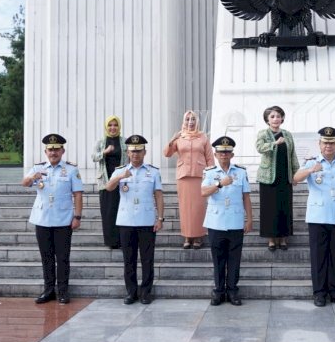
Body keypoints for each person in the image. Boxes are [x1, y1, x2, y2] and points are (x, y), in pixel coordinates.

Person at [293, 127, 335, 307]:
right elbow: (294, 179)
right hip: (317, 217)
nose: (328, 146)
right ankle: (319, 292)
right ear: (319, 144)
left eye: (332, 142)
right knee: (318, 256)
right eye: (325, 142)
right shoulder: (311, 162)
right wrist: (310, 170)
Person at [21, 133, 84, 305]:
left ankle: (63, 291)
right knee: (46, 257)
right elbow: (24, 183)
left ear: (62, 151)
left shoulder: (71, 170)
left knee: (63, 257)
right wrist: (32, 178)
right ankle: (48, 290)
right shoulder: (38, 168)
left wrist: (77, 216)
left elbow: (78, 194)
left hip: (63, 220)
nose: (53, 152)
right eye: (50, 149)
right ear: (45, 151)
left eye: (57, 149)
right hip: (42, 219)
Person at [105, 135, 165, 305]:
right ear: (127, 152)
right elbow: (108, 187)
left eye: (139, 151)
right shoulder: (120, 170)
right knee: (128, 260)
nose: (136, 154)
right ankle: (131, 292)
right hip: (126, 221)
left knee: (147, 259)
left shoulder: (152, 171)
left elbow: (159, 196)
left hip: (146, 221)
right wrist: (120, 176)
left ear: (144, 152)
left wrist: (160, 218)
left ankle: (146, 292)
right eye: (132, 151)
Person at [201, 136, 253, 306]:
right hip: (216, 222)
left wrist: (250, 218)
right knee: (218, 259)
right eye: (221, 152)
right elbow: (203, 192)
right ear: (215, 154)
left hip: (236, 221)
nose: (224, 155)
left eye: (227, 152)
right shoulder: (209, 172)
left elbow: (246, 197)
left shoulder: (240, 172)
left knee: (234, 259)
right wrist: (219, 184)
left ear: (232, 154)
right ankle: (218, 291)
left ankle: (232, 290)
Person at [164, 110, 213, 249]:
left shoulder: (203, 137)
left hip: (200, 175)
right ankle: (187, 236)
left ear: (196, 121)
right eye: (187, 119)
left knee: (198, 207)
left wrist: (212, 175)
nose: (190, 122)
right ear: (184, 121)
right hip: (184, 176)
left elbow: (209, 157)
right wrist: (172, 139)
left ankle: (198, 236)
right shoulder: (179, 137)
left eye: (193, 119)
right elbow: (167, 154)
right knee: (185, 207)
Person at [255, 105, 299, 251]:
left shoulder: (287, 134)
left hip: (284, 177)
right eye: (272, 116)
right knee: (269, 209)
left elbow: (293, 155)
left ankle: (283, 238)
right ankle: (272, 239)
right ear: (267, 119)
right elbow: (259, 148)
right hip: (268, 178)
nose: (276, 119)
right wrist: (274, 143)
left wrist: (296, 174)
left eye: (278, 116)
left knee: (284, 208)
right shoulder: (263, 133)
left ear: (282, 118)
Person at [92, 115, 127, 249]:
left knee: (121, 210)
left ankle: (122, 240)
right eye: (110, 125)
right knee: (108, 212)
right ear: (106, 127)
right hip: (105, 181)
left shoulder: (124, 141)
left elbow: (130, 158)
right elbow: (94, 157)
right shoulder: (101, 141)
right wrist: (104, 152)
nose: (113, 128)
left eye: (115, 125)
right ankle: (111, 241)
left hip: (121, 181)